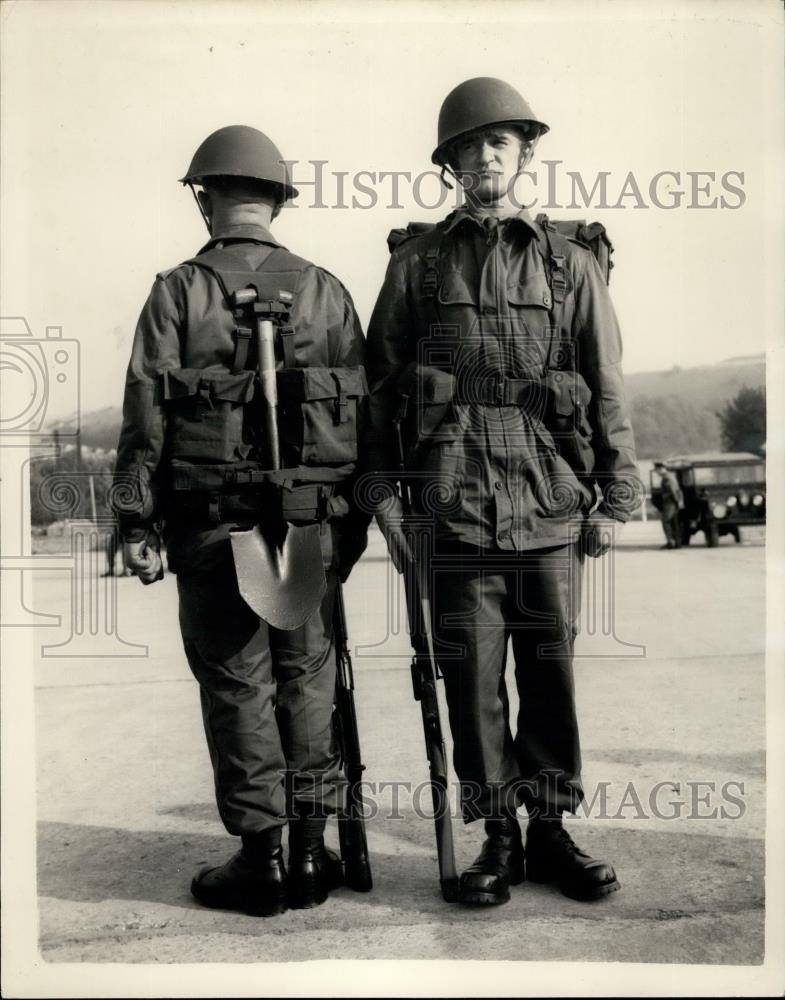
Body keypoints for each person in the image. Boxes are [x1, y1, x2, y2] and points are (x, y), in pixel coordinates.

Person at [365, 78, 640, 906]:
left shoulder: (572, 262)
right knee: (470, 679)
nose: (485, 156)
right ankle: (497, 836)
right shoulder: (414, 268)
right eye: (469, 145)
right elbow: (377, 391)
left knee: (549, 676)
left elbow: (606, 380)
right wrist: (384, 503)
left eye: (501, 143)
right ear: (447, 161)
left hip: (550, 504)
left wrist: (616, 497)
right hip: (450, 506)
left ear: (524, 156)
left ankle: (551, 831)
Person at [112, 125, 368, 917]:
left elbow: (144, 419)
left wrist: (134, 524)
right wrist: (344, 531)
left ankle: (261, 860)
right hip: (308, 526)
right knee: (308, 679)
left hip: (211, 525)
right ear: (277, 200)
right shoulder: (327, 289)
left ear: (206, 199)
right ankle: (313, 852)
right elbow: (365, 422)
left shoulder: (177, 291)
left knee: (236, 684)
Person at [653, 461, 684, 549]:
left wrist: (677, 502)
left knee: (666, 521)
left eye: (657, 470)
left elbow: (673, 491)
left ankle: (670, 542)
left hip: (670, 503)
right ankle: (677, 543)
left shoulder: (667, 478)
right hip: (673, 502)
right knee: (674, 523)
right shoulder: (669, 476)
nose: (657, 472)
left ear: (661, 469)